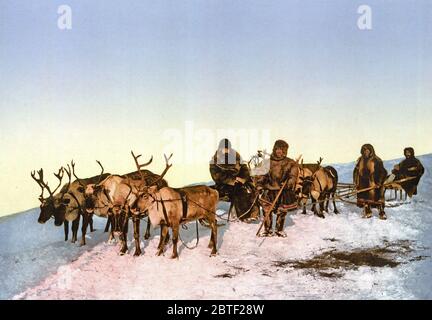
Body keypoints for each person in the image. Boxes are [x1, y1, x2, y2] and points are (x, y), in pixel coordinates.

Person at [256, 140, 299, 237]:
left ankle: (279, 229)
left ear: (285, 151)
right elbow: (261, 175)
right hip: (269, 190)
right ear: (274, 149)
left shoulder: (290, 163)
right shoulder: (267, 162)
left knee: (281, 210)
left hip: (282, 190)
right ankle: (267, 230)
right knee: (267, 209)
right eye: (277, 149)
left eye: (282, 149)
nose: (279, 151)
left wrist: (288, 183)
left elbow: (293, 176)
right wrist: (259, 184)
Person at [209, 139, 259, 221]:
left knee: (252, 190)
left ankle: (254, 214)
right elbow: (217, 176)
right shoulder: (214, 161)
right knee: (239, 192)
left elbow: (244, 168)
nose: (226, 150)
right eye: (224, 148)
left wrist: (243, 178)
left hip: (239, 181)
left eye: (227, 148)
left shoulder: (236, 157)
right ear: (220, 148)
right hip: (224, 184)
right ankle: (244, 216)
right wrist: (232, 180)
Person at [353, 144, 388, 219]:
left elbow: (383, 172)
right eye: (364, 150)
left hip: (374, 182)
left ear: (371, 151)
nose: (366, 152)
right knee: (364, 197)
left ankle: (381, 211)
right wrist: (356, 181)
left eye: (368, 150)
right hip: (363, 182)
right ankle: (367, 209)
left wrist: (379, 182)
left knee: (378, 198)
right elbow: (356, 171)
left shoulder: (377, 160)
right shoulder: (360, 160)